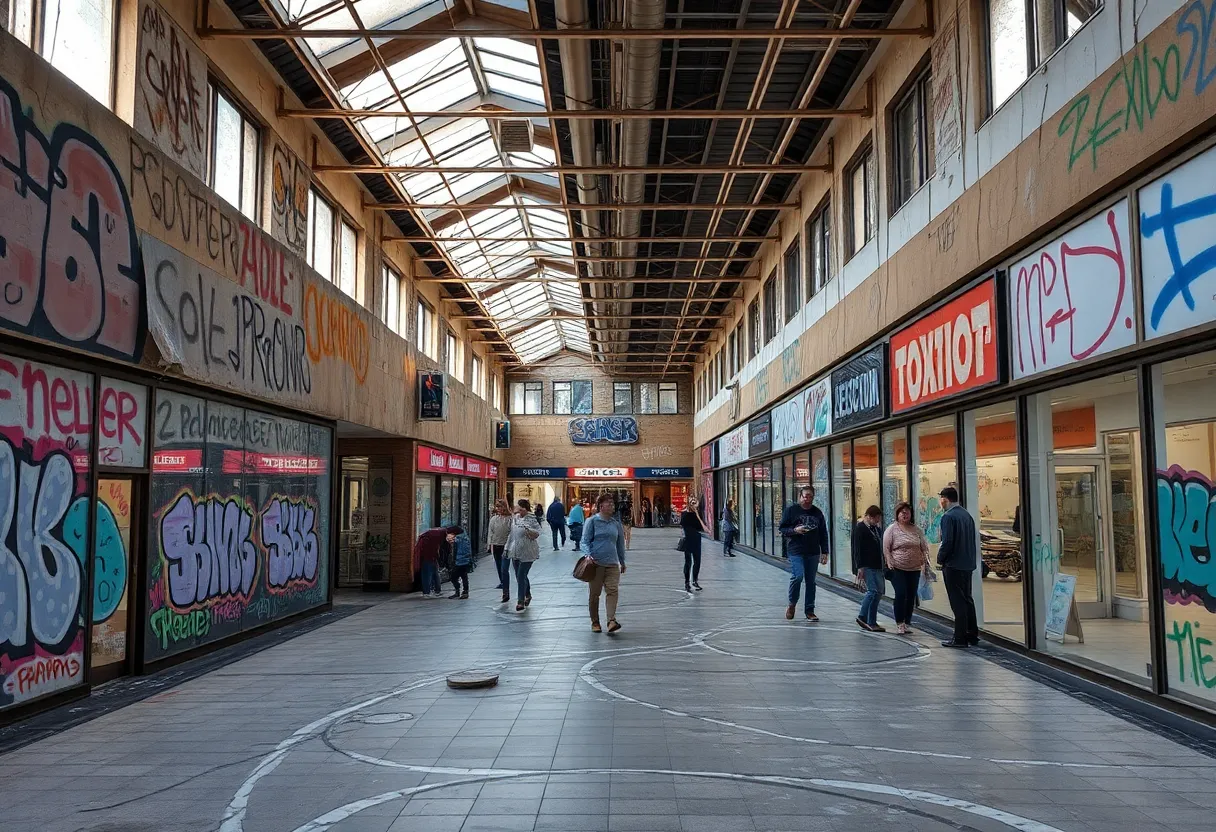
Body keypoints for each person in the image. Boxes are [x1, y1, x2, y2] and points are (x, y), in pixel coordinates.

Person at [779, 485, 830, 621]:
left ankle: (809, 610)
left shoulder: (817, 512)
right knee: (798, 576)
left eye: (810, 496)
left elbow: (823, 533)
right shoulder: (791, 511)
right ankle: (792, 604)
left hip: (813, 551)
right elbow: (782, 529)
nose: (807, 499)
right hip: (796, 550)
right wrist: (795, 530)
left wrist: (824, 551)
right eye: (805, 496)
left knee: (811, 581)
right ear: (800, 496)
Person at [937, 486, 979, 647]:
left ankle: (960, 638)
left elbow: (947, 542)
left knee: (957, 602)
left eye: (941, 499)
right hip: (967, 564)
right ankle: (972, 634)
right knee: (967, 599)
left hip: (953, 564)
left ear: (945, 499)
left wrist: (940, 559)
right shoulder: (966, 515)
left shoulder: (948, 517)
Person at [883, 501, 930, 635]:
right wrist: (889, 563)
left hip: (914, 568)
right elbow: (886, 548)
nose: (905, 515)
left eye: (907, 512)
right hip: (897, 568)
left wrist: (925, 564)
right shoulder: (892, 529)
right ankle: (900, 623)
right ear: (897, 514)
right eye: (902, 512)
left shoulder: (916, 530)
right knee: (901, 593)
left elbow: (924, 547)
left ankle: (907, 622)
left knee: (911, 595)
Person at [584, 493, 626, 633]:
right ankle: (595, 622)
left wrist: (622, 561)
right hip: (596, 563)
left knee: (612, 591)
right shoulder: (592, 521)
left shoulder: (616, 524)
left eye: (612, 504)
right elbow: (585, 541)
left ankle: (611, 621)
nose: (612, 506)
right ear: (601, 506)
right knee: (594, 594)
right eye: (609, 503)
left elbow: (620, 544)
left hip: (612, 563)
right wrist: (588, 555)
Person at [851, 505, 886, 632]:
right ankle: (862, 616)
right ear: (869, 516)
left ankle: (872, 620)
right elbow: (857, 549)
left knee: (878, 592)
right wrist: (859, 567)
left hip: (877, 565)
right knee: (872, 591)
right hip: (867, 565)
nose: (878, 521)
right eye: (876, 518)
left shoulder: (876, 529)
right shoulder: (860, 528)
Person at [505, 499, 542, 612]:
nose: (518, 512)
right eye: (518, 509)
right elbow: (511, 535)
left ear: (525, 509)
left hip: (528, 551)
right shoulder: (515, 519)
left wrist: (527, 528)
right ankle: (528, 594)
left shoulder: (531, 519)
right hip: (515, 550)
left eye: (520, 509)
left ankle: (520, 601)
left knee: (521, 575)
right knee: (519, 575)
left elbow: (537, 533)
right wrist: (507, 547)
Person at [413, 526, 459, 598]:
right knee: (432, 573)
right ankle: (434, 591)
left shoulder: (436, 534)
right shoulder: (440, 535)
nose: (452, 538)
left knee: (429, 574)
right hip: (430, 556)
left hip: (429, 557)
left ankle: (428, 592)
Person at [680, 498, 710, 592]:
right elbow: (699, 527)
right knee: (691, 562)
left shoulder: (690, 515)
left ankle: (691, 581)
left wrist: (696, 514)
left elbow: (703, 528)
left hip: (693, 540)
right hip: (691, 540)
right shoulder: (687, 514)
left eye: (695, 503)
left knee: (693, 561)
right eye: (693, 503)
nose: (694, 505)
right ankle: (690, 582)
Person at [488, 500, 513, 603]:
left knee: (504, 569)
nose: (498, 509)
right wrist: (489, 544)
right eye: (497, 507)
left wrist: (509, 545)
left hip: (505, 546)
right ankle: (503, 584)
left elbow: (511, 533)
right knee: (499, 568)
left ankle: (505, 592)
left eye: (500, 507)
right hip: (496, 546)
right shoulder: (494, 519)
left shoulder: (509, 519)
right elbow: (490, 532)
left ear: (504, 507)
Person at [449, 529, 474, 599]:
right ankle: (465, 592)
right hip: (466, 560)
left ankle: (457, 591)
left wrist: (453, 560)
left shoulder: (457, 539)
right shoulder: (466, 538)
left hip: (459, 560)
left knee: (453, 577)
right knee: (464, 576)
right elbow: (469, 550)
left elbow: (455, 551)